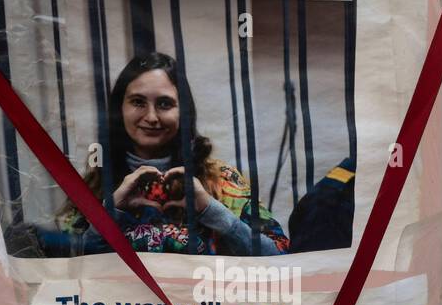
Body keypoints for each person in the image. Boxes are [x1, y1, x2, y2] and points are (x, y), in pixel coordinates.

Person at [54, 52, 289, 256]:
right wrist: (109, 216)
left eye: (165, 104)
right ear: (119, 108)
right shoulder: (95, 184)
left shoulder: (223, 180)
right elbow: (63, 270)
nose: (152, 117)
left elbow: (281, 258)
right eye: (138, 102)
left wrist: (212, 211)